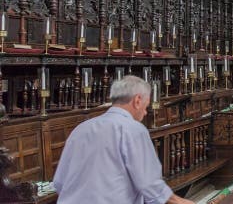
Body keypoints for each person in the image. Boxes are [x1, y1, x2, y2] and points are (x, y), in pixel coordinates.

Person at [53, 75, 194, 204]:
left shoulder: (81, 129)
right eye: (146, 106)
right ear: (137, 100)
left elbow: (59, 182)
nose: (145, 112)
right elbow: (150, 185)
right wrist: (182, 202)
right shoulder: (133, 129)